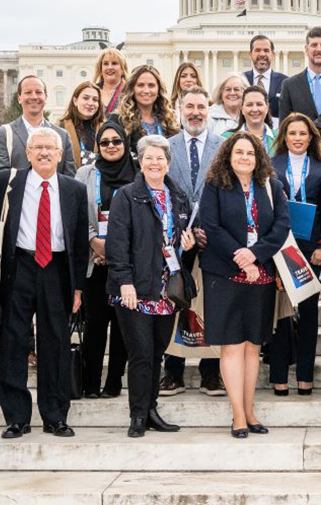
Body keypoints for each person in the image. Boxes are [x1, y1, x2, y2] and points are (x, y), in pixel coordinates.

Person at [0, 128, 90, 439]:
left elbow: (80, 242)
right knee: (13, 342)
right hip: (19, 266)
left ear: (59, 154)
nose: (43, 152)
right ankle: (16, 417)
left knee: (55, 343)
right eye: (37, 147)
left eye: (50, 147)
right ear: (27, 153)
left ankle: (55, 416)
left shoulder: (73, 190)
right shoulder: (7, 182)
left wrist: (78, 286)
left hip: (57, 270)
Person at [199, 132, 292, 437]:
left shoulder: (272, 186)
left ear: (258, 158)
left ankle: (250, 411)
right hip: (224, 273)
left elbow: (281, 226)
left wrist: (255, 255)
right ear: (228, 155)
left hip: (260, 274)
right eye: (239, 152)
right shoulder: (215, 186)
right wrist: (242, 258)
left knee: (253, 346)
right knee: (233, 346)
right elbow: (210, 226)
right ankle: (237, 415)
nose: (244, 158)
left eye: (250, 154)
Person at [105, 135, 198, 437]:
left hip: (166, 290)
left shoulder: (179, 197)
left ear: (168, 163)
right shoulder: (127, 196)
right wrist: (124, 283)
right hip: (136, 289)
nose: (155, 163)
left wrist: (189, 243)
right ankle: (137, 415)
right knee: (141, 353)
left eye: (160, 159)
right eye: (149, 158)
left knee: (157, 351)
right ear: (140, 163)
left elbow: (179, 245)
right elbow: (117, 244)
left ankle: (151, 410)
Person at [161, 87, 226, 396]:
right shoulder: (167, 147)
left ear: (209, 110)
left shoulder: (223, 147)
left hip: (212, 239)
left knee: (210, 305)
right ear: (179, 110)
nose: (196, 112)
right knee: (175, 301)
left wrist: (207, 231)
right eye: (190, 106)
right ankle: (172, 371)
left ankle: (210, 372)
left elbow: (227, 193)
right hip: (174, 239)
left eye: (201, 106)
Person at [269, 113, 321, 395]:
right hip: (279, 247)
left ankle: (306, 374)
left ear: (311, 138)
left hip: (311, 249)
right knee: (281, 314)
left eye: (303, 133)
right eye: (292, 133)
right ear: (284, 137)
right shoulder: (271, 167)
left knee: (308, 313)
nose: (297, 138)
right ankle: (279, 374)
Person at [73, 120, 134, 398]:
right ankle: (90, 381)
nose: (111, 146)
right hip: (94, 261)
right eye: (105, 142)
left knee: (123, 325)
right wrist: (94, 243)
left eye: (116, 141)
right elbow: (74, 212)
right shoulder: (86, 173)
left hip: (127, 263)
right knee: (96, 323)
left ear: (125, 143)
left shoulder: (138, 173)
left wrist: (117, 250)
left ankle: (113, 382)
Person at [0, 76, 77, 178]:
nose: (34, 97)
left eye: (39, 92)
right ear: (19, 98)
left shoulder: (62, 135)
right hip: (18, 193)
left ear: (46, 98)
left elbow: (70, 178)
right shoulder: (4, 134)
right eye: (28, 92)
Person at [108, 65, 181, 157]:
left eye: (151, 85)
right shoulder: (118, 120)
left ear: (158, 90)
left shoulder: (169, 121)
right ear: (132, 89)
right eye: (140, 85)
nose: (146, 90)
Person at [278, 26, 321, 121]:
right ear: (306, 50)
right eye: (314, 45)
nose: (319, 49)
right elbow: (284, 125)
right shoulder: (289, 85)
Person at [61, 81, 108, 168]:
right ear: (75, 101)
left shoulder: (106, 128)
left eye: (95, 99)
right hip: (70, 179)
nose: (90, 103)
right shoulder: (60, 127)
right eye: (86, 98)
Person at [243, 35, 287, 118]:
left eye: (266, 50)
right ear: (250, 55)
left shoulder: (285, 82)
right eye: (257, 50)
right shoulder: (241, 80)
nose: (262, 54)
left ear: (273, 55)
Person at [228, 85, 277, 153]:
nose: (254, 109)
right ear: (242, 109)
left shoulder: (280, 138)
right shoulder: (226, 138)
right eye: (249, 105)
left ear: (267, 107)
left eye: (259, 104)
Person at [94, 47, 129, 117]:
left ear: (122, 68)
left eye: (114, 63)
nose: (110, 67)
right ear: (100, 69)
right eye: (106, 64)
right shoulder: (92, 90)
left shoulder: (129, 91)